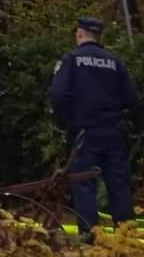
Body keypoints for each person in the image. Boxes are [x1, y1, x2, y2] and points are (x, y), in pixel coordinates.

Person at [49, 16, 138, 235]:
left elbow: (58, 94)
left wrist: (64, 122)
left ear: (79, 34)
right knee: (119, 185)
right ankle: (126, 238)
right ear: (99, 36)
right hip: (114, 133)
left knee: (84, 185)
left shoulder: (71, 59)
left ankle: (90, 239)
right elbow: (133, 99)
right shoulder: (115, 62)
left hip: (84, 134)